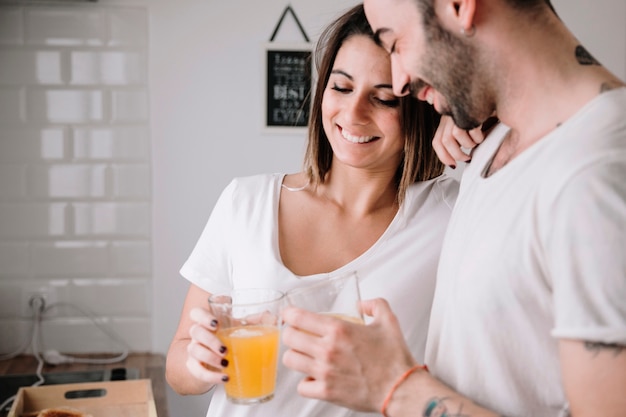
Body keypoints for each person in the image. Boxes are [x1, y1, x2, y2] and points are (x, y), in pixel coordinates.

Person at [282, 1, 626, 416]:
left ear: (460, 6)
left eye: (395, 43)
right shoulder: (498, 142)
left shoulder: (597, 172)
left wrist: (395, 387)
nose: (401, 80)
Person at [166, 4, 459, 417]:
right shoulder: (246, 202)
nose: (354, 114)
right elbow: (177, 370)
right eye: (341, 88)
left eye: (384, 99)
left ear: (420, 106)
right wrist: (199, 364)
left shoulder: (447, 216)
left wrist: (461, 116)